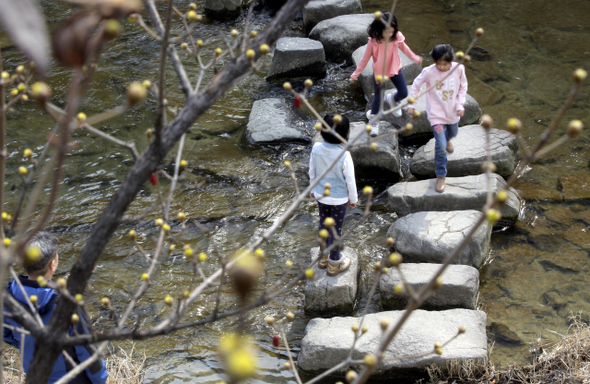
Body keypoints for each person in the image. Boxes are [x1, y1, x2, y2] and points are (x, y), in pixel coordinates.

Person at [3, 231, 108, 384]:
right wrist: (101, 380)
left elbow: (6, 333)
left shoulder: (8, 295)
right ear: (53, 264)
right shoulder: (66, 305)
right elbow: (88, 353)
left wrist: (27, 345)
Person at [350, 12, 422, 136]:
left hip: (395, 69)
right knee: (378, 98)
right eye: (386, 32)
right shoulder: (373, 42)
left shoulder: (397, 37)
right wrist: (356, 74)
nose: (389, 35)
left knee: (404, 92)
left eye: (392, 32)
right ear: (379, 30)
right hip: (380, 74)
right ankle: (373, 121)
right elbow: (364, 59)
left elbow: (406, 49)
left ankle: (392, 98)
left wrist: (415, 58)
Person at [408, 44, 468, 193]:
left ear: (451, 61)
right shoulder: (428, 72)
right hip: (436, 116)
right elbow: (416, 86)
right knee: (440, 146)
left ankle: (447, 139)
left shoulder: (458, 69)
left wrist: (460, 104)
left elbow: (463, 86)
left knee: (453, 132)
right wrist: (412, 104)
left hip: (453, 113)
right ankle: (441, 175)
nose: (441, 67)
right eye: (438, 63)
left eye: (445, 64)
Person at [309, 114, 358, 276]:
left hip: (321, 195)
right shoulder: (344, 155)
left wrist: (311, 191)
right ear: (345, 135)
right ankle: (334, 263)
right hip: (339, 199)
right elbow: (350, 180)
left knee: (323, 225)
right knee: (336, 230)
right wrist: (353, 199)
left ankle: (322, 258)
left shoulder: (316, 149)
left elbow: (312, 172)